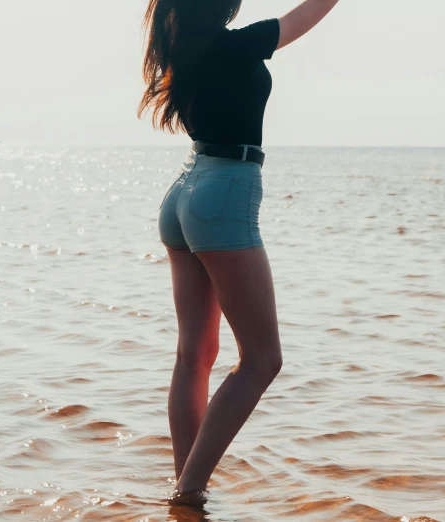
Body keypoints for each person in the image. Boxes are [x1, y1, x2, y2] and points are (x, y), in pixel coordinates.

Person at [138, 0, 342, 506]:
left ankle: (186, 489)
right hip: (225, 191)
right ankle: (189, 492)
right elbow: (301, 19)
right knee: (262, 359)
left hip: (185, 190)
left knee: (195, 354)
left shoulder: (183, 46)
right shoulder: (235, 45)